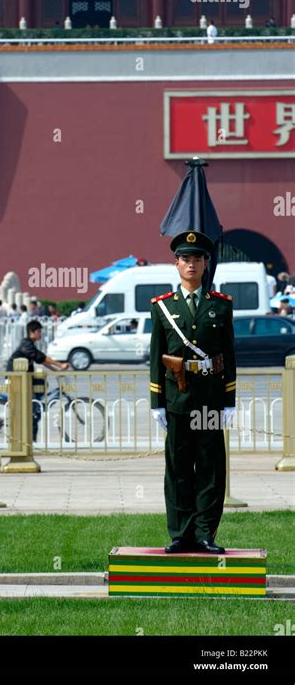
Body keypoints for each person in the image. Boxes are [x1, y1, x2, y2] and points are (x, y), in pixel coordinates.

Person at [149, 230, 236, 555]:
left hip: (211, 400)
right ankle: (180, 534)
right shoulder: (162, 308)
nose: (191, 264)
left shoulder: (221, 306)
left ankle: (205, 534)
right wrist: (158, 402)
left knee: (210, 467)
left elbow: (228, 356)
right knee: (179, 468)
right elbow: (156, 356)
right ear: (177, 264)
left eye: (197, 259)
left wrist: (229, 400)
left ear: (205, 264)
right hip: (177, 401)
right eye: (185, 259)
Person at [6, 320, 69, 442]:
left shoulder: (30, 344)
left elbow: (41, 360)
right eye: (39, 331)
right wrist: (60, 365)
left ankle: (31, 436)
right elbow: (40, 356)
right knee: (33, 409)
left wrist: (56, 370)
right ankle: (29, 439)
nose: (41, 334)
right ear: (32, 332)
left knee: (41, 389)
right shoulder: (26, 345)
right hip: (16, 379)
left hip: (25, 378)